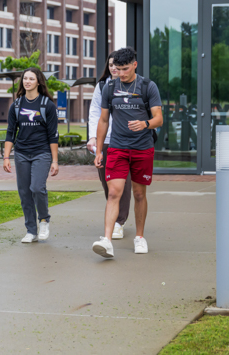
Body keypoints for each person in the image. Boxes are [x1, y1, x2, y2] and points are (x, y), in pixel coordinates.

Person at [93, 47, 163, 258]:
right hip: (117, 147)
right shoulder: (109, 87)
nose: (120, 73)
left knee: (139, 193)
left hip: (142, 148)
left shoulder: (147, 86)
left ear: (135, 64)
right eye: (117, 68)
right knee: (114, 192)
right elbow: (103, 120)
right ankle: (106, 240)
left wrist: (144, 124)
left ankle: (139, 237)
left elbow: (158, 118)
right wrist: (98, 150)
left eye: (125, 69)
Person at [3, 67, 59, 243]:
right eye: (25, 78)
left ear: (38, 82)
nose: (27, 81)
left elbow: (53, 135)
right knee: (24, 193)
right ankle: (31, 230)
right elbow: (10, 132)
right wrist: (6, 157)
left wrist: (55, 161)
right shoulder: (16, 105)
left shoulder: (47, 105)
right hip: (21, 154)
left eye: (31, 79)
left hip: (41, 153)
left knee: (36, 188)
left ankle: (43, 220)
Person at [87, 51, 131, 240]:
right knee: (107, 182)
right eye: (111, 64)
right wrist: (92, 138)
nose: (114, 68)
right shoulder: (102, 86)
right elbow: (94, 112)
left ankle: (119, 222)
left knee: (124, 183)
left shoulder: (132, 85)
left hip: (125, 141)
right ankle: (114, 215)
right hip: (104, 141)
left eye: (118, 65)